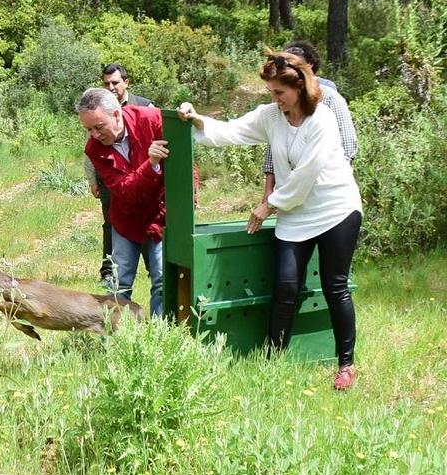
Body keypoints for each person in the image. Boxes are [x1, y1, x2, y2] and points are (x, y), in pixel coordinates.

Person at [178, 52, 363, 390]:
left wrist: (268, 205)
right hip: (296, 214)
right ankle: (273, 360)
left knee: (334, 286)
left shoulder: (322, 120)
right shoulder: (271, 116)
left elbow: (306, 174)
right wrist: (196, 120)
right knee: (285, 286)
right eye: (271, 93)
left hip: (336, 209)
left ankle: (346, 365)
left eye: (279, 92)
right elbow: (233, 131)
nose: (274, 99)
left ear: (299, 87)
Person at [77, 88, 169, 317]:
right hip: (126, 219)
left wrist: (189, 201)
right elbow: (125, 190)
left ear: (117, 114)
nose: (95, 135)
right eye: (88, 129)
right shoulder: (93, 148)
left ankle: (160, 335)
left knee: (162, 280)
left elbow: (187, 162)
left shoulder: (151, 119)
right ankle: (116, 336)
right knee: (119, 283)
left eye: (99, 127)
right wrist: (151, 164)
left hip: (160, 215)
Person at [261, 42, 358, 207]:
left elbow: (347, 148)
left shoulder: (330, 98)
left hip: (324, 197)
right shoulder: (282, 102)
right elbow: (274, 147)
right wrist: (269, 190)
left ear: (308, 67)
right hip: (289, 195)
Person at [83, 64, 152, 288]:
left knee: (149, 231)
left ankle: (152, 269)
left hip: (148, 188)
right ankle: (109, 272)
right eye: (106, 83)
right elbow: (90, 148)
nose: (111, 87)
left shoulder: (144, 107)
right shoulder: (93, 110)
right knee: (113, 225)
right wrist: (92, 180)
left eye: (115, 82)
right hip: (113, 182)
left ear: (126, 82)